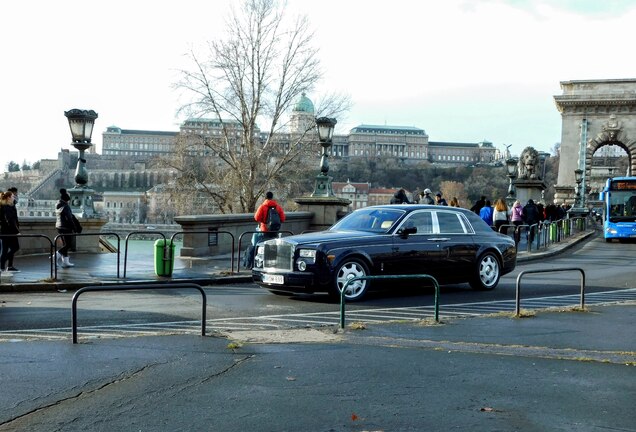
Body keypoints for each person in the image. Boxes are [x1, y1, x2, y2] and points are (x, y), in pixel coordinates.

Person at [55, 188, 80, 268]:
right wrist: (74, 227)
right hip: (66, 227)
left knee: (65, 244)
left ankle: (65, 261)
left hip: (59, 226)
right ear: (67, 200)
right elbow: (69, 218)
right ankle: (54, 257)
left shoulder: (58, 204)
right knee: (68, 245)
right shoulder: (66, 206)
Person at [0, 189, 21, 272]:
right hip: (9, 232)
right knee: (15, 247)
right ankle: (3, 263)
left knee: (5, 249)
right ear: (8, 198)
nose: (14, 197)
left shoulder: (6, 206)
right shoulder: (7, 207)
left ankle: (3, 266)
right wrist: (17, 231)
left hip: (5, 231)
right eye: (12, 196)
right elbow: (11, 221)